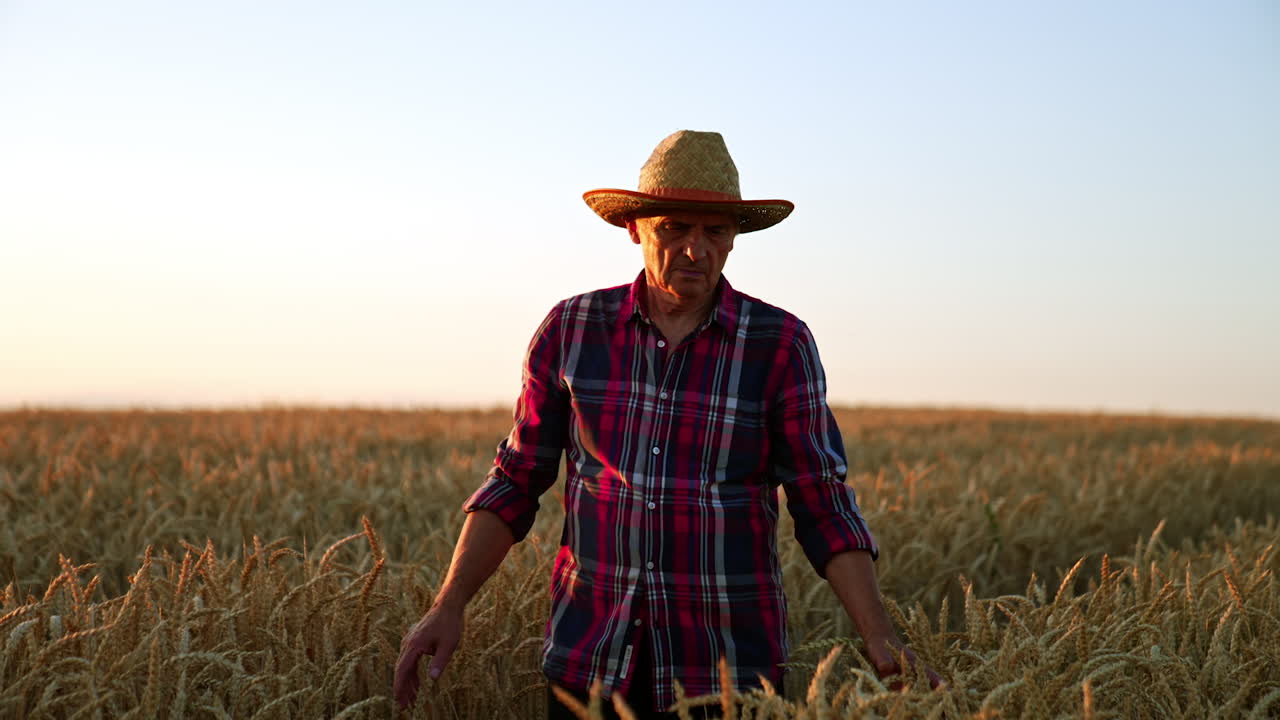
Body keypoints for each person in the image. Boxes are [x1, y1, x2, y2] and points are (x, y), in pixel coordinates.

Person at [394, 130, 940, 718]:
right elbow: (516, 478)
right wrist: (448, 605)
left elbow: (822, 502)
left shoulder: (779, 345)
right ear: (635, 228)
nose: (695, 249)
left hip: (727, 674)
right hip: (590, 665)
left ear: (734, 238)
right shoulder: (572, 329)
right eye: (674, 228)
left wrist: (881, 638)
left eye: (714, 231)